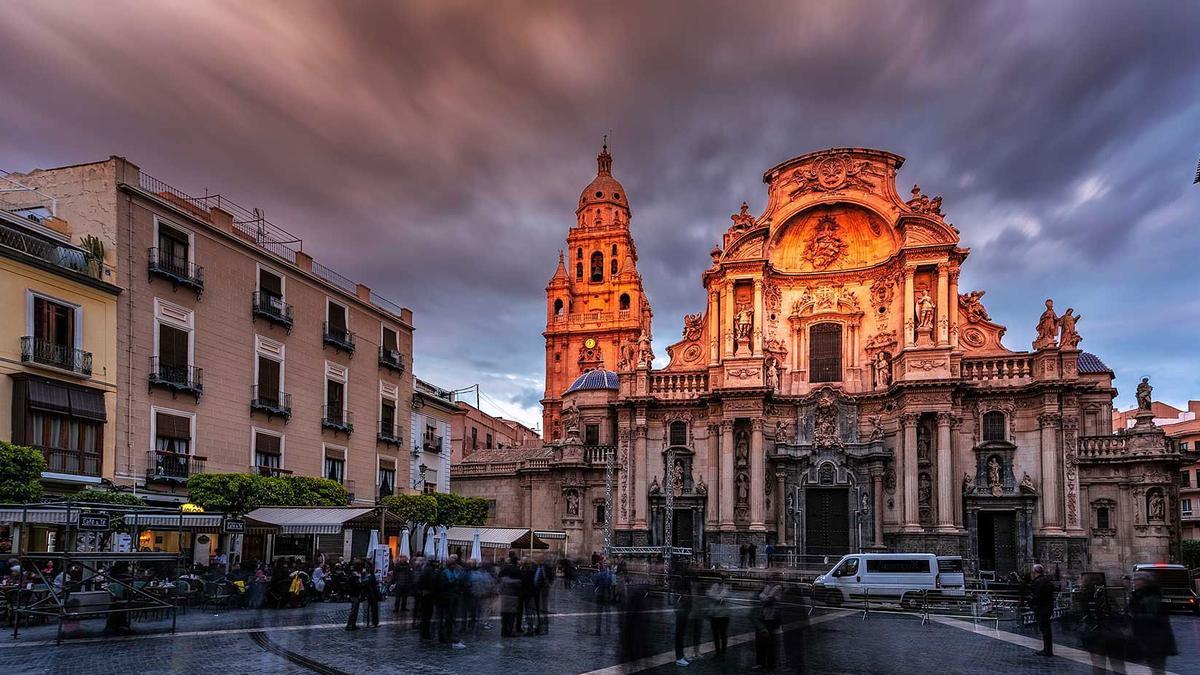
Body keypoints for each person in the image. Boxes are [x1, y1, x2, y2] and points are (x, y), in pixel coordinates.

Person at [1129, 571, 1176, 675]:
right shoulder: (1141, 595)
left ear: (1144, 582)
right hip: (1149, 639)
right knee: (1155, 667)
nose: (1134, 582)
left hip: (1156, 640)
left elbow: (1155, 617)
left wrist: (1134, 617)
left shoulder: (1151, 597)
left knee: (1157, 668)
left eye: (1137, 580)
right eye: (1134, 580)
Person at [1080, 576, 1125, 675]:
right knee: (1114, 665)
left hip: (1102, 634)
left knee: (1103, 665)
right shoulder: (1106, 596)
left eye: (1082, 580)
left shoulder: (1087, 597)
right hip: (1109, 633)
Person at [754, 575, 783, 670]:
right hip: (764, 616)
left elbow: (767, 599)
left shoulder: (777, 587)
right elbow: (762, 596)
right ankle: (762, 663)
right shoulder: (768, 587)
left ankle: (770, 663)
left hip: (771, 618)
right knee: (760, 642)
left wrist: (764, 597)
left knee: (769, 642)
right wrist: (764, 597)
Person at [1029, 563, 1057, 657]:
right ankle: (1047, 649)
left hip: (1041, 608)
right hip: (1048, 607)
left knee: (1045, 630)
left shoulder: (1038, 582)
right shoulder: (1047, 581)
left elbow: (1036, 596)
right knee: (1046, 630)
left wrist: (1033, 605)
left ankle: (1047, 650)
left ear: (1035, 572)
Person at [671, 564, 693, 667]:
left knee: (682, 633)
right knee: (680, 633)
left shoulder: (683, 578)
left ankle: (682, 655)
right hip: (681, 608)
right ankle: (679, 657)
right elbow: (680, 594)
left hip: (684, 608)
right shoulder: (679, 579)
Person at [706, 573, 731, 659]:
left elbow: (720, 597)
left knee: (723, 634)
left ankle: (723, 652)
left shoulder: (727, 587)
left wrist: (713, 595)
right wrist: (715, 596)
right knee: (715, 635)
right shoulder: (714, 586)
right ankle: (717, 652)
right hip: (714, 614)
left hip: (724, 615)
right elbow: (709, 594)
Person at [499, 552, 522, 637]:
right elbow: (520, 585)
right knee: (511, 616)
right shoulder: (517, 571)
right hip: (513, 596)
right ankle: (509, 632)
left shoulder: (504, 569)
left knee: (504, 615)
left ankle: (503, 631)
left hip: (504, 595)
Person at [345, 558, 366, 631]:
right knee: (354, 610)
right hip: (354, 594)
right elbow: (356, 585)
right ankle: (349, 625)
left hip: (356, 593)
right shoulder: (354, 575)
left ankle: (353, 624)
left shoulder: (357, 574)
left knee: (355, 610)